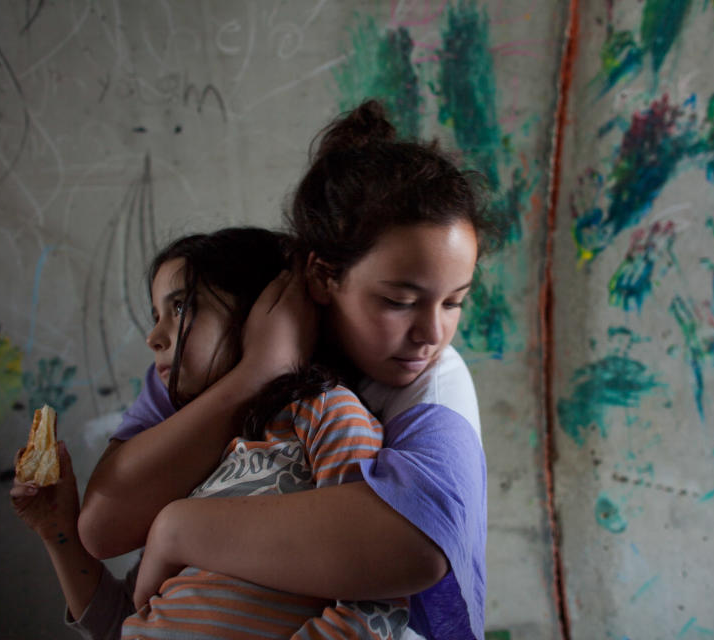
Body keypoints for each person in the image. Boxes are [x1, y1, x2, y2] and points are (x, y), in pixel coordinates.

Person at [79, 100, 494, 639]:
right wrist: (258, 375)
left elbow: (415, 547)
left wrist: (178, 529)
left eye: (454, 302)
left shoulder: (434, 378)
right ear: (322, 276)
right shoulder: (221, 342)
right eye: (398, 301)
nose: (432, 334)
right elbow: (102, 526)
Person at [12, 228, 411, 639]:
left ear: (261, 308)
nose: (154, 337)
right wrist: (57, 531)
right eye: (156, 315)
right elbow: (124, 623)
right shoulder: (194, 465)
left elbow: (373, 599)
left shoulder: (328, 414)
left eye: (181, 307)